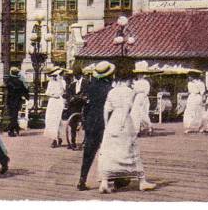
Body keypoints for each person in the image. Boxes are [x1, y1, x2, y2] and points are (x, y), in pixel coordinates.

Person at [97, 71, 156, 194]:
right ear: (127, 80)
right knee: (131, 148)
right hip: (124, 121)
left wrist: (107, 125)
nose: (131, 83)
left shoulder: (111, 92)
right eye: (130, 80)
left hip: (112, 121)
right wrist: (123, 123)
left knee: (109, 151)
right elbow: (127, 108)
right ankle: (142, 181)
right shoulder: (129, 91)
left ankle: (104, 182)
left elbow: (106, 110)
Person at [77, 61, 114, 191]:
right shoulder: (110, 89)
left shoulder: (90, 86)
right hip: (104, 122)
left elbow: (85, 105)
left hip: (91, 122)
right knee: (108, 151)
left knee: (89, 152)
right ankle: (109, 179)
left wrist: (84, 121)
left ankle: (82, 179)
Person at [63, 67, 86, 148]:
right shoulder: (72, 84)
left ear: (80, 75)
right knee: (72, 124)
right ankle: (73, 142)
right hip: (74, 106)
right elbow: (68, 94)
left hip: (83, 104)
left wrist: (83, 97)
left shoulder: (86, 82)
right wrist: (70, 98)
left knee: (86, 121)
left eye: (77, 75)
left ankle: (85, 141)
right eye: (75, 75)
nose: (75, 77)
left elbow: (87, 93)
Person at [3, 67, 30, 137]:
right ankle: (15, 129)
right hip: (17, 100)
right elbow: (25, 90)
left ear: (11, 72)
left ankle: (12, 130)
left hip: (10, 100)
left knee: (12, 115)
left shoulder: (8, 80)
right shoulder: (20, 82)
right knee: (14, 115)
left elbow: (7, 87)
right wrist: (27, 97)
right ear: (17, 73)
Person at [43, 68, 65, 147]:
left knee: (57, 120)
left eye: (56, 75)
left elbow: (61, 92)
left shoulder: (62, 82)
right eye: (53, 76)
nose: (54, 77)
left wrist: (59, 83)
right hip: (52, 102)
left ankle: (56, 139)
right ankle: (55, 138)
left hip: (58, 102)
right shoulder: (50, 83)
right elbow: (47, 92)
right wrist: (52, 95)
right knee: (50, 120)